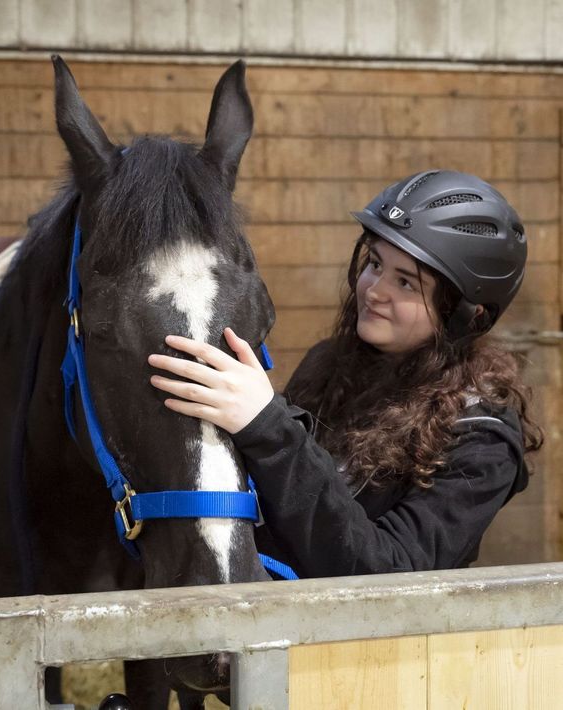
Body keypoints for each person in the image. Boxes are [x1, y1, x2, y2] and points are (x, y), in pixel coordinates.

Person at [148, 170, 543, 578]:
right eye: (375, 262)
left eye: (406, 282)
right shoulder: (330, 364)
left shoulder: (482, 441)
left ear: (467, 315)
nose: (374, 290)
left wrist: (268, 427)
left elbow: (388, 572)